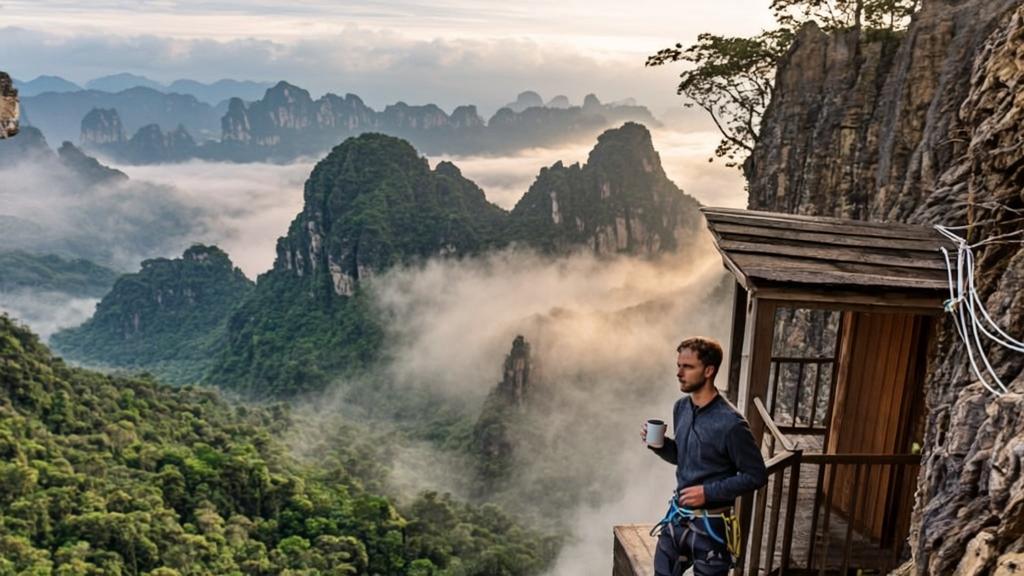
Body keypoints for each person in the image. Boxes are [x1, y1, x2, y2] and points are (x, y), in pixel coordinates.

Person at [642, 336, 767, 576]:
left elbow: (756, 475)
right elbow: (684, 456)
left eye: (687, 367)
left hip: (713, 527)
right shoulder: (681, 408)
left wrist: (707, 493)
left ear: (709, 371)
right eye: (678, 365)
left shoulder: (731, 424)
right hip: (678, 518)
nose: (679, 373)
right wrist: (660, 446)